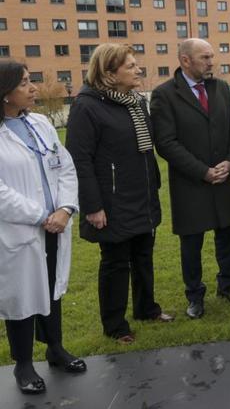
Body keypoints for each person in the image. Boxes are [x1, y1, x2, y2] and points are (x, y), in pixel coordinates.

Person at [66, 44, 173, 343]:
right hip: (111, 201)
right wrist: (93, 206)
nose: (138, 69)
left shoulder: (136, 102)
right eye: (130, 66)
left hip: (142, 195)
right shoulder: (87, 106)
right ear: (109, 73)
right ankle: (115, 325)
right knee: (115, 263)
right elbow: (79, 159)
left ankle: (146, 309)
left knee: (143, 256)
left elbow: (145, 150)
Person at [0, 61, 85, 394]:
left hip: (55, 225)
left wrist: (64, 209)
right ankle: (23, 365)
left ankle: (55, 348)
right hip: (18, 231)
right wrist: (40, 216)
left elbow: (65, 167)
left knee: (52, 287)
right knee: (21, 296)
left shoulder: (40, 123)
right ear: (5, 94)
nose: (33, 87)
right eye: (24, 83)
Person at [150, 39, 230, 320]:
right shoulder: (164, 95)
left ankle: (228, 285)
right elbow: (166, 143)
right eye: (205, 57)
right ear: (185, 60)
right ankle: (194, 295)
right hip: (191, 184)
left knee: (229, 236)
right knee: (192, 244)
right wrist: (202, 171)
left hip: (225, 178)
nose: (211, 62)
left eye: (212, 57)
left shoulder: (221, 88)